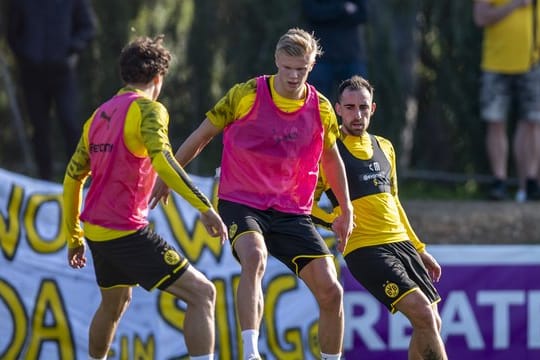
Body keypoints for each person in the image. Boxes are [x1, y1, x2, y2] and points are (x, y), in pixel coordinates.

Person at [150, 28, 354, 360]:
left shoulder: (321, 108)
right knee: (255, 257)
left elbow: (331, 158)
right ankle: (250, 353)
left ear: (312, 66)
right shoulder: (246, 94)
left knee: (331, 291)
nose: (292, 75)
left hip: (291, 210)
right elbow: (202, 135)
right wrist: (169, 176)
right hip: (240, 200)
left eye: (300, 69)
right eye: (287, 67)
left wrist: (346, 210)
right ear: (276, 60)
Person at [63, 35, 228, 360]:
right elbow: (163, 160)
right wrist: (204, 207)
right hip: (126, 232)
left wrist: (74, 236)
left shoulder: (97, 116)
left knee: (115, 303)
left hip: (97, 231)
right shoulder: (149, 110)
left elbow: (72, 178)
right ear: (158, 78)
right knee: (202, 294)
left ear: (125, 75)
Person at [311, 75, 448, 360]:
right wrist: (333, 222)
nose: (356, 114)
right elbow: (305, 204)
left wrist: (420, 249)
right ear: (337, 109)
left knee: (431, 321)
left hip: (402, 243)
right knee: (423, 313)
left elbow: (394, 202)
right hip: (365, 248)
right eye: (349, 107)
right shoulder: (328, 151)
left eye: (363, 107)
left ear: (372, 109)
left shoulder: (385, 146)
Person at [7, 0, 97, 180]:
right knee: (40, 129)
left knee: (70, 123)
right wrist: (25, 57)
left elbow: (88, 28)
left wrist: (72, 49)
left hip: (62, 73)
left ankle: (78, 178)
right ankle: (44, 180)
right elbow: (12, 33)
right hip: (32, 74)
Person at [473, 0, 540, 201]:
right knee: (495, 122)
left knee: (533, 123)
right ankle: (499, 181)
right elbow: (481, 17)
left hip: (532, 64)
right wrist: (514, 5)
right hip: (496, 64)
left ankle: (529, 182)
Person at [302, 0, 368, 100]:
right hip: (321, 58)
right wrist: (342, 8)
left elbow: (363, 15)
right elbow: (311, 12)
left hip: (350, 56)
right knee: (316, 105)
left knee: (357, 103)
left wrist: (328, 12)